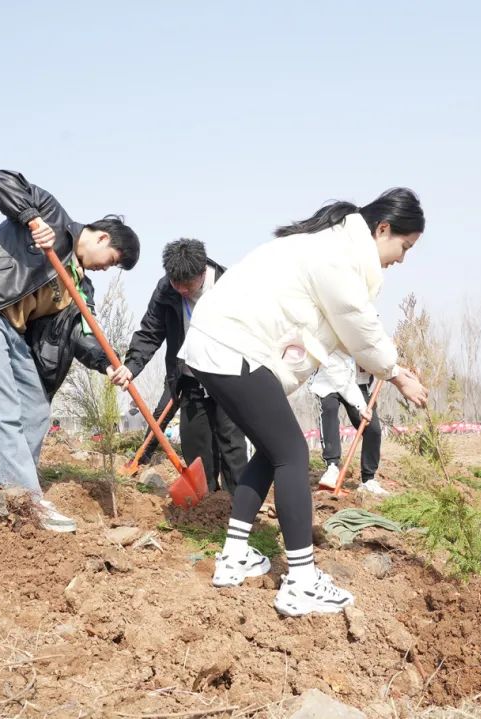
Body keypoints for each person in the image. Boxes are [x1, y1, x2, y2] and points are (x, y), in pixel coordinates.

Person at [180, 188, 429, 616]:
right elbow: (358, 324)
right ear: (382, 229)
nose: (402, 258)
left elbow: (341, 330)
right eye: (403, 247)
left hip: (217, 343)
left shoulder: (329, 246)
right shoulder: (336, 254)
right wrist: (398, 372)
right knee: (293, 453)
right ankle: (300, 582)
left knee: (273, 451)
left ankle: (235, 556)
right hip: (233, 343)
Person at [0, 169, 139, 533]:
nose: (106, 267)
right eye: (110, 260)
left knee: (34, 405)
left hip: (10, 329)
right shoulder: (52, 216)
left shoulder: (81, 286)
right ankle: (25, 500)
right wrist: (31, 218)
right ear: (101, 237)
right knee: (0, 405)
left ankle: (12, 489)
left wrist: (107, 365)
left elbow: (84, 334)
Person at [112, 239, 248, 493]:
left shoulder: (227, 286)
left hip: (228, 377)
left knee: (231, 441)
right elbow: (150, 331)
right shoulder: (166, 290)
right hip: (188, 377)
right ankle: (206, 501)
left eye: (188, 285)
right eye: (177, 284)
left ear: (202, 272)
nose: (182, 290)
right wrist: (131, 365)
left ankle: (238, 504)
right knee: (196, 443)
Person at [311, 351, 386, 495]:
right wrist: (361, 406)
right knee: (329, 408)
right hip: (330, 380)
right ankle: (332, 467)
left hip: (359, 382)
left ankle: (368, 479)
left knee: (372, 428)